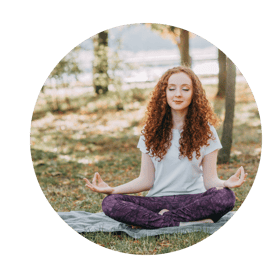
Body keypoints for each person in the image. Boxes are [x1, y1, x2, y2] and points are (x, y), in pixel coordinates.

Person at [84, 66, 247, 229]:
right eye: (172, 89)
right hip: (157, 201)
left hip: (195, 200)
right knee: (110, 203)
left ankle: (163, 220)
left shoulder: (207, 131)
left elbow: (210, 180)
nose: (178, 94)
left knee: (226, 197)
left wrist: (226, 183)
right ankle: (185, 222)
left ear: (194, 94)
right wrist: (112, 190)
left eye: (185, 89)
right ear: (164, 93)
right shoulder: (150, 131)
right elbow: (145, 180)